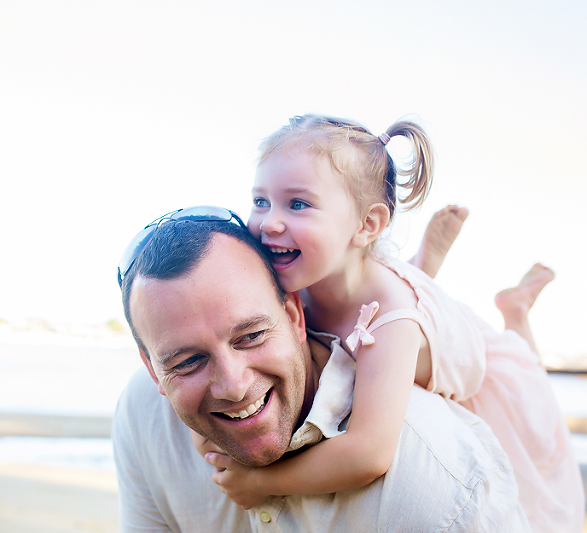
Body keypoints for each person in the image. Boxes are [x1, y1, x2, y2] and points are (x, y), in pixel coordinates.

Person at [200, 114, 583, 532]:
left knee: (535, 426)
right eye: (261, 201)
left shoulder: (392, 321)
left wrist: (265, 483)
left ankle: (515, 309)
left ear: (367, 225)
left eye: (298, 204)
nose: (269, 222)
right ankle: (420, 268)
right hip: (369, 289)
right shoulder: (298, 270)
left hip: (477, 359)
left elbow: (369, 453)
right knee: (379, 295)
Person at [114, 207, 531, 531]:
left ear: (296, 315)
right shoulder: (142, 414)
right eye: (188, 362)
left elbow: (369, 453)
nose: (234, 385)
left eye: (251, 336)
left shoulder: (438, 489)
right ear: (153, 371)